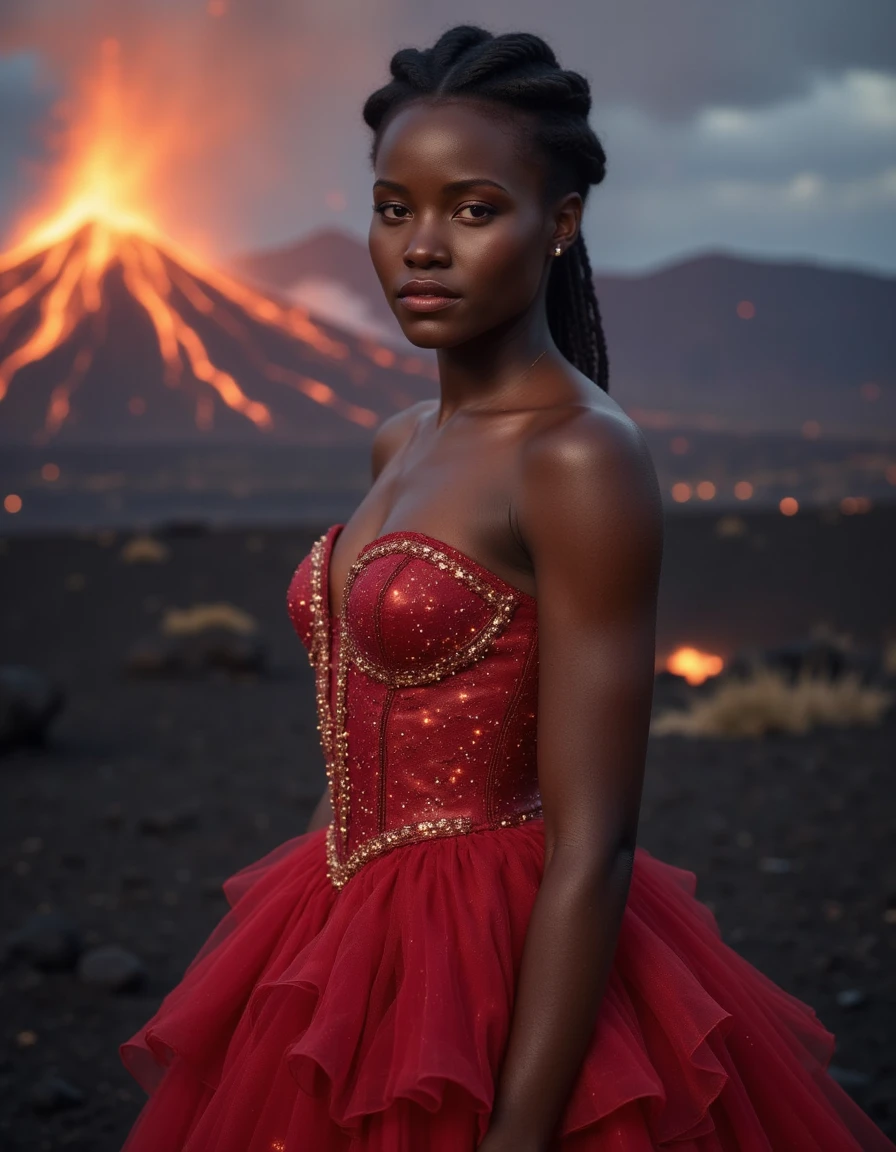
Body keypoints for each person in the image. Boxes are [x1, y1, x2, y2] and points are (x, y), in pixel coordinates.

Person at [119, 24, 894, 1152]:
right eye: (394, 210)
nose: (420, 247)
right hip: (345, 926)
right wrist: (307, 959)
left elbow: (596, 840)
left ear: (559, 223)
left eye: (472, 210)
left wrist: (519, 1131)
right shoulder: (400, 442)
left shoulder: (577, 458)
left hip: (496, 946)